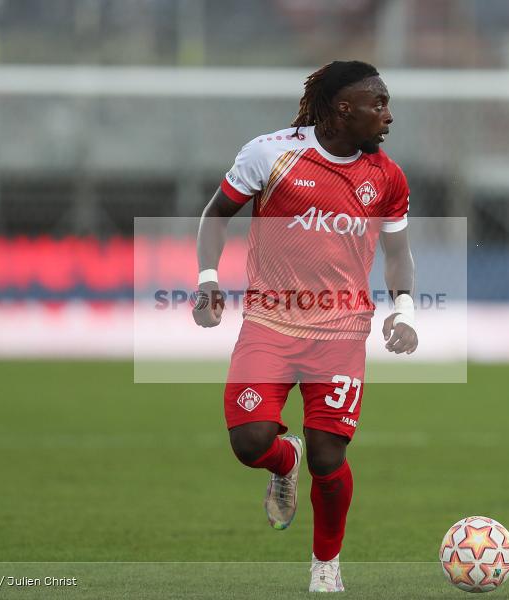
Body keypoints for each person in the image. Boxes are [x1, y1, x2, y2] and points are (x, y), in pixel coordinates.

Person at [193, 60, 417, 592]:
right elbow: (216, 213)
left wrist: (404, 311)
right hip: (270, 323)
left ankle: (325, 568)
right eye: (378, 104)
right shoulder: (271, 154)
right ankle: (281, 457)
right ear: (343, 110)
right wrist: (207, 280)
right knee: (249, 442)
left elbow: (398, 252)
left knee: (328, 455)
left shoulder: (386, 177)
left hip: (341, 333)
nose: (388, 115)